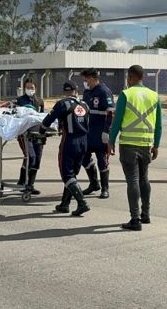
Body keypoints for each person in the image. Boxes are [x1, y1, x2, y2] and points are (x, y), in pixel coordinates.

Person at [108, 65, 162, 231]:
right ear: (143, 77)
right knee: (144, 179)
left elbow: (117, 121)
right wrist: (156, 145)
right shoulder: (154, 95)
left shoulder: (126, 94)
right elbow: (159, 124)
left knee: (132, 180)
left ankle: (135, 219)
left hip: (129, 145)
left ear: (130, 78)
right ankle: (146, 215)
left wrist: (111, 140)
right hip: (146, 144)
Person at [41, 81, 91, 216]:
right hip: (83, 142)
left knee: (67, 174)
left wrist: (42, 130)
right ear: (76, 90)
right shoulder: (85, 105)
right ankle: (65, 204)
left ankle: (82, 203)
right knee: (72, 174)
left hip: (70, 141)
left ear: (64, 92)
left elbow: (49, 119)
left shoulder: (63, 104)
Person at [80, 68, 115, 199]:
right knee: (84, 157)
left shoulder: (104, 91)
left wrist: (107, 131)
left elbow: (111, 112)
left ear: (94, 79)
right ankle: (94, 183)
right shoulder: (87, 92)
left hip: (101, 133)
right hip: (88, 133)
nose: (85, 82)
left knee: (102, 161)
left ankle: (105, 188)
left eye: (87, 79)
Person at [13, 78, 45, 195]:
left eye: (32, 88)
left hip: (38, 134)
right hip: (25, 134)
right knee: (30, 157)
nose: (30, 90)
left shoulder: (40, 101)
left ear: (35, 88)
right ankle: (25, 183)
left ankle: (29, 184)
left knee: (37, 159)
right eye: (27, 87)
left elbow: (41, 116)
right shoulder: (19, 101)